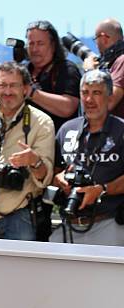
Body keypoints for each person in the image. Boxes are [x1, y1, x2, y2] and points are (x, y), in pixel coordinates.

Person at [0, 61, 54, 241]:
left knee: (21, 270)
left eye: (14, 85)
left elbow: (45, 177)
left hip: (20, 215)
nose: (8, 91)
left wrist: (34, 161)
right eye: (2, 85)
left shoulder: (41, 122)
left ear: (25, 88)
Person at [51, 70, 124, 245]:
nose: (89, 100)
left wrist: (101, 189)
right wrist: (58, 179)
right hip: (68, 224)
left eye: (97, 93)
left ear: (109, 97)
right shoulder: (67, 129)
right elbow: (53, 172)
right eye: (85, 93)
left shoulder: (121, 131)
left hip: (109, 224)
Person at [25, 20, 81, 240]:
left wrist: (31, 92)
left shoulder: (67, 69)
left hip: (57, 159)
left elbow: (69, 106)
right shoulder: (24, 70)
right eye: (31, 43)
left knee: (46, 225)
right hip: (26, 157)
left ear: (53, 45)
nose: (34, 49)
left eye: (40, 43)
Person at [84, 18, 124, 119]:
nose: (96, 45)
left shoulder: (122, 61)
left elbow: (108, 103)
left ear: (104, 38)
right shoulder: (114, 62)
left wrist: (90, 72)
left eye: (95, 40)